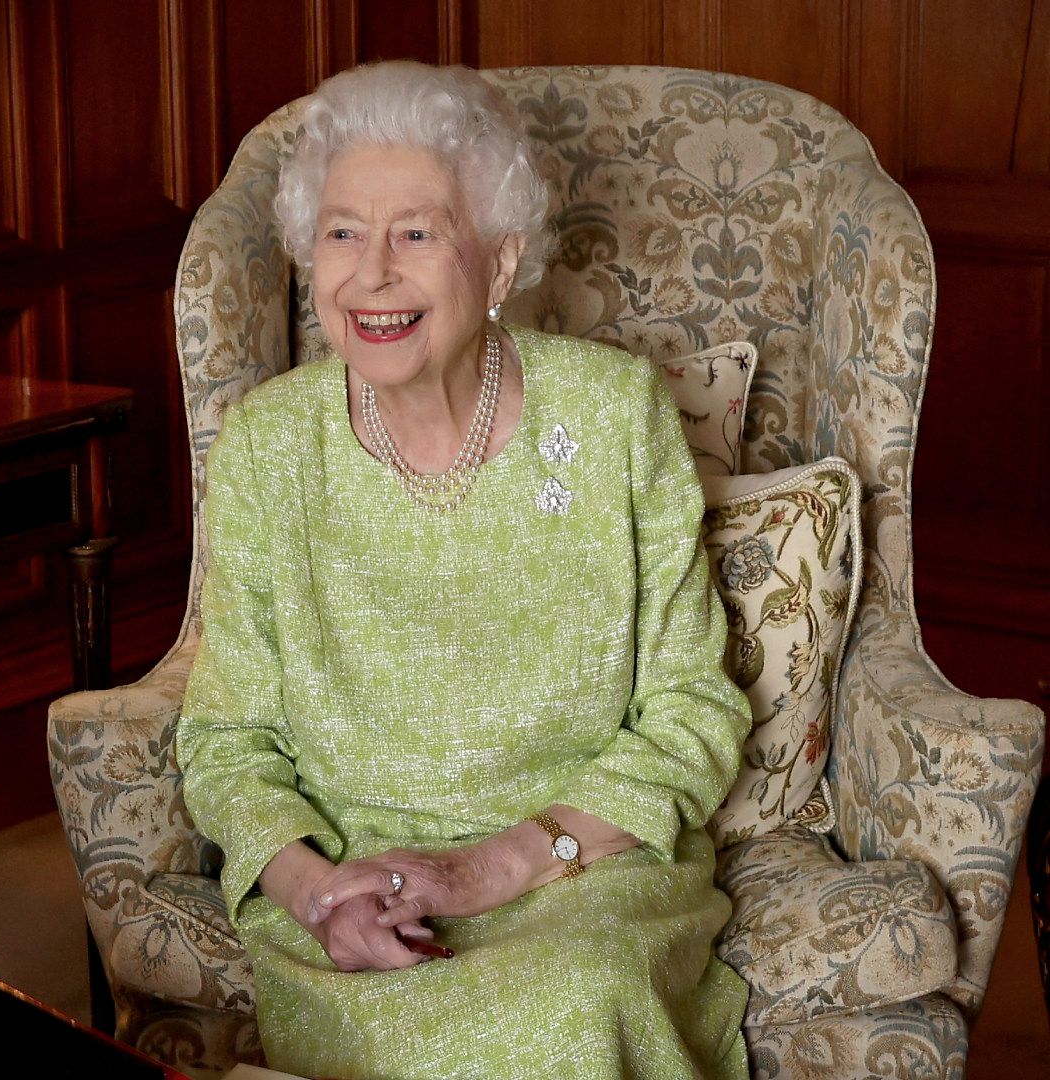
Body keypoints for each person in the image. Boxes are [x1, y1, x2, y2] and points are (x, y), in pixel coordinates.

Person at [177, 60, 752, 1080]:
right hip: (357, 891)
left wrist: (493, 867)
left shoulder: (615, 416)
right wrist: (318, 894)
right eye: (343, 232)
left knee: (578, 1007)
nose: (373, 274)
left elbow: (690, 712)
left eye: (417, 231)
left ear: (499, 262)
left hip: (581, 873)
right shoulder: (268, 447)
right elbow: (229, 740)